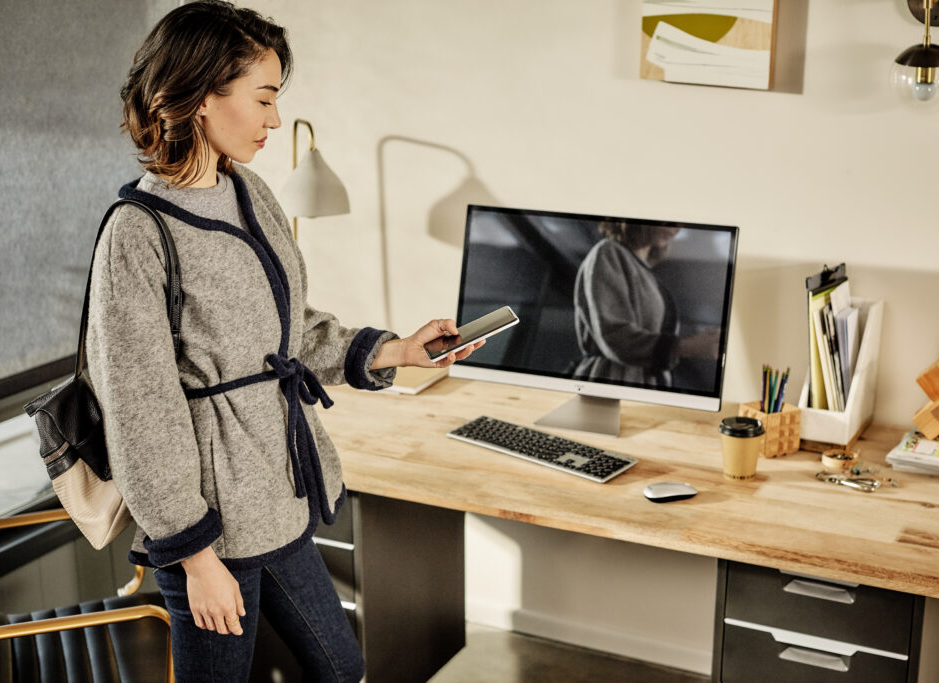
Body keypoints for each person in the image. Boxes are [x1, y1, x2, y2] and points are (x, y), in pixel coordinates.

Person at [85, 3, 480, 680]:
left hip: (278, 497)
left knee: (342, 668)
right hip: (208, 525)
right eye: (263, 99)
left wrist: (400, 350)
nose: (273, 120)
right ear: (201, 96)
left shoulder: (250, 192)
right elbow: (140, 411)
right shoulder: (138, 233)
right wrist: (196, 557)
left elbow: (289, 333)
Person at [572, 220, 718, 386]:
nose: (676, 228)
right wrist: (688, 347)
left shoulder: (643, 270)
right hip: (611, 381)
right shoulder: (608, 252)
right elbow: (615, 336)